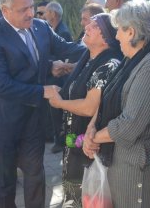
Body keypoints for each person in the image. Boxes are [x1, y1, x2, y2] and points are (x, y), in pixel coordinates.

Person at [0, 0, 84, 207]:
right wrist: (43, 91)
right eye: (22, 10)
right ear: (5, 11)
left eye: (31, 6)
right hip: (3, 124)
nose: (30, 13)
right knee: (4, 184)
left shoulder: (41, 27)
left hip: (32, 122)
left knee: (35, 177)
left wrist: (101, 46)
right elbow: (2, 85)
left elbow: (66, 48)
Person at [83, 2, 150, 207]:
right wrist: (92, 127)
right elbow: (107, 99)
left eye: (119, 30)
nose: (116, 36)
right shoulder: (135, 59)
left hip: (136, 169)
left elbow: (130, 124)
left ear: (132, 32)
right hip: (122, 164)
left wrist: (94, 138)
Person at [47, 13, 122, 207]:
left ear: (106, 37)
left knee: (85, 196)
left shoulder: (109, 64)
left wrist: (60, 103)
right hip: (74, 142)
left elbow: (90, 107)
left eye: (94, 26)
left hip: (90, 147)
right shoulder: (88, 58)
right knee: (72, 191)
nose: (87, 26)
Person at [43, 1, 74, 153]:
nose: (44, 16)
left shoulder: (63, 31)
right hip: (52, 76)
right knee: (52, 111)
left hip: (58, 78)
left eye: (46, 12)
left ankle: (61, 141)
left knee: (58, 112)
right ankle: (53, 136)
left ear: (53, 14)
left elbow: (62, 56)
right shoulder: (53, 28)